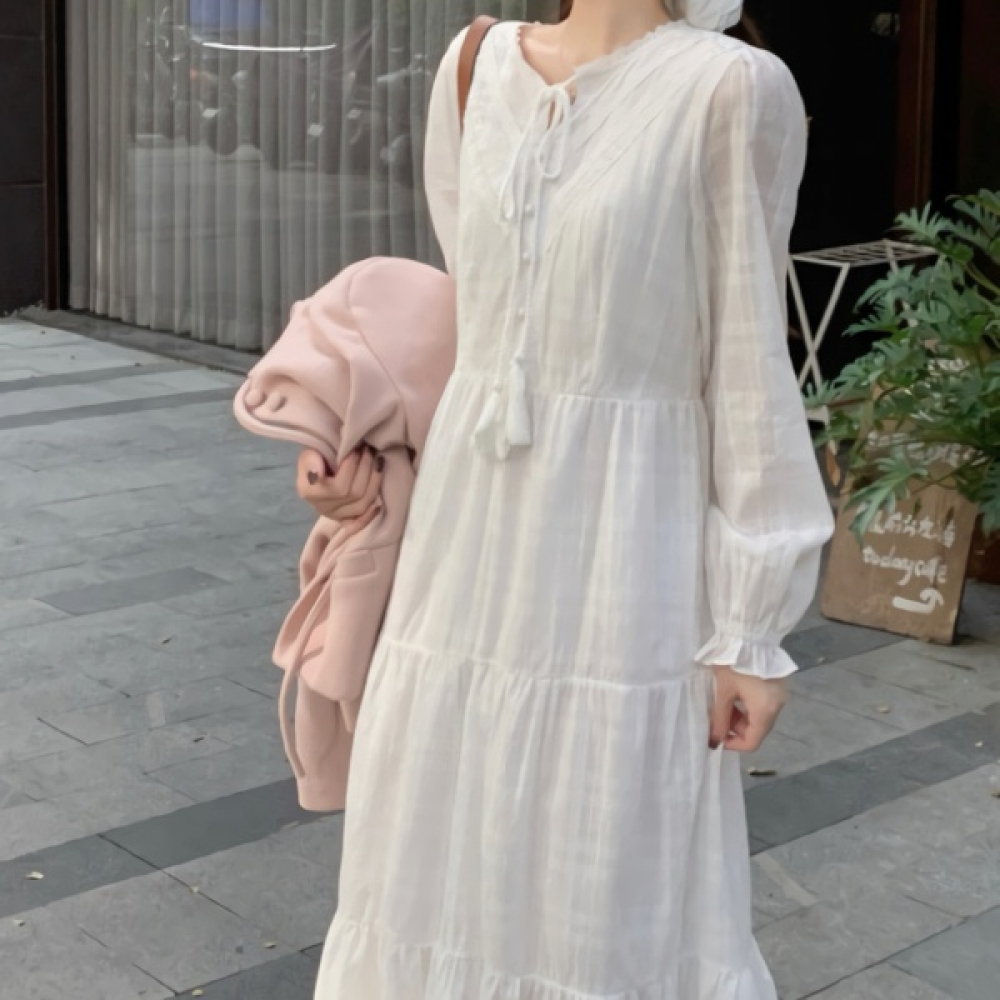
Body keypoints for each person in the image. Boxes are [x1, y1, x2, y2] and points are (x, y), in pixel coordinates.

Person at [304, 0, 835, 996]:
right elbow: (472, 319)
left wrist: (752, 627)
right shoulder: (473, 66)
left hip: (628, 543)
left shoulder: (732, 87)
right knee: (439, 837)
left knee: (606, 853)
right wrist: (363, 452)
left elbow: (749, 365)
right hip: (466, 536)